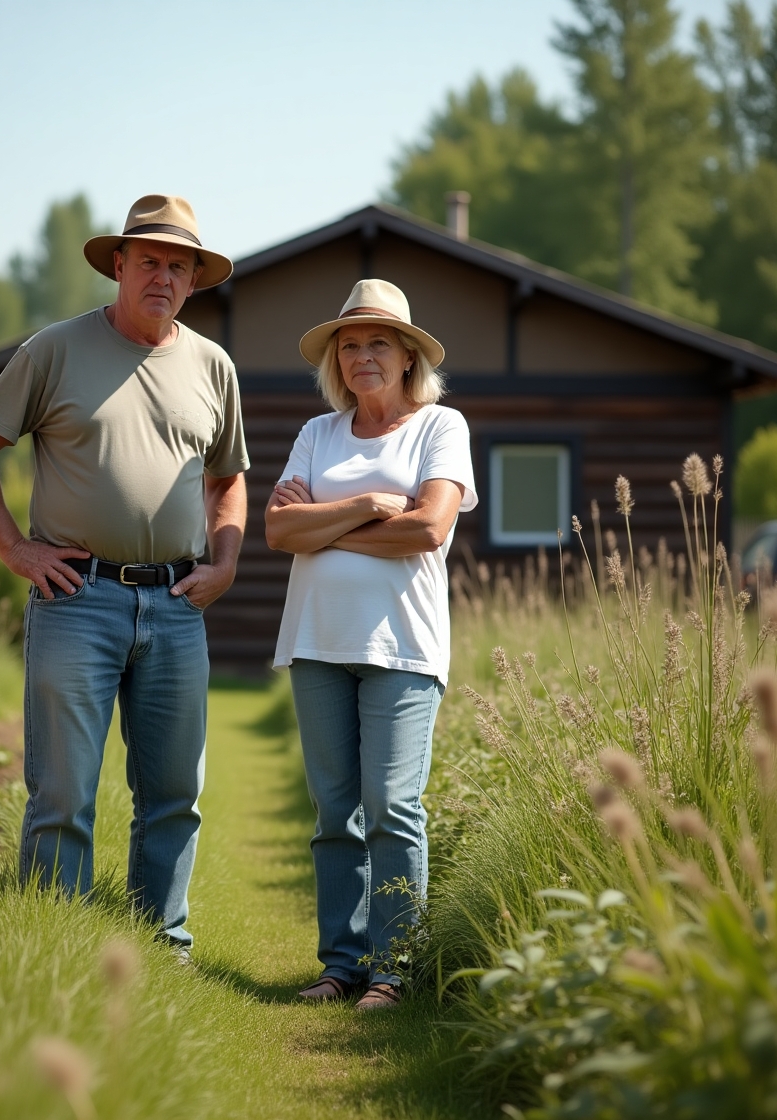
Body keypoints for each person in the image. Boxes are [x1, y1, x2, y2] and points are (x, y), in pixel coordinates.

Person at [0, 194, 249, 955]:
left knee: (174, 795)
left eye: (178, 265)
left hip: (178, 605)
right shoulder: (54, 350)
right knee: (63, 795)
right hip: (76, 599)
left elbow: (228, 477)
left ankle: (160, 945)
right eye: (149, 260)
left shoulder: (213, 366)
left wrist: (226, 560)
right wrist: (17, 549)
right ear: (118, 264)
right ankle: (56, 946)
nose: (163, 275)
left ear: (192, 280)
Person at [265, 279, 476, 1009]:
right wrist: (362, 506)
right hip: (318, 642)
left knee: (393, 806)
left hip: (406, 648)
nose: (362, 356)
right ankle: (341, 965)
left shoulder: (440, 428)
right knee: (335, 813)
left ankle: (393, 970)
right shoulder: (316, 435)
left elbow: (428, 529)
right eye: (348, 345)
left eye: (377, 342)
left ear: (408, 354)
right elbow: (276, 532)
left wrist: (322, 520)